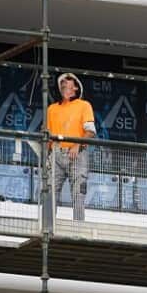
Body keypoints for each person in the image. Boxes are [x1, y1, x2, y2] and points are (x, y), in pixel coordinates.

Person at [46, 72, 96, 221]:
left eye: (68, 84)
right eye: (62, 84)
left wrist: (77, 144)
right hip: (56, 154)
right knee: (50, 191)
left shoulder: (83, 105)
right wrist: (47, 155)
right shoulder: (52, 109)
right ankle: (48, 226)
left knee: (78, 194)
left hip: (77, 155)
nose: (64, 87)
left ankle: (78, 229)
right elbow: (48, 136)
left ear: (75, 88)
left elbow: (90, 131)